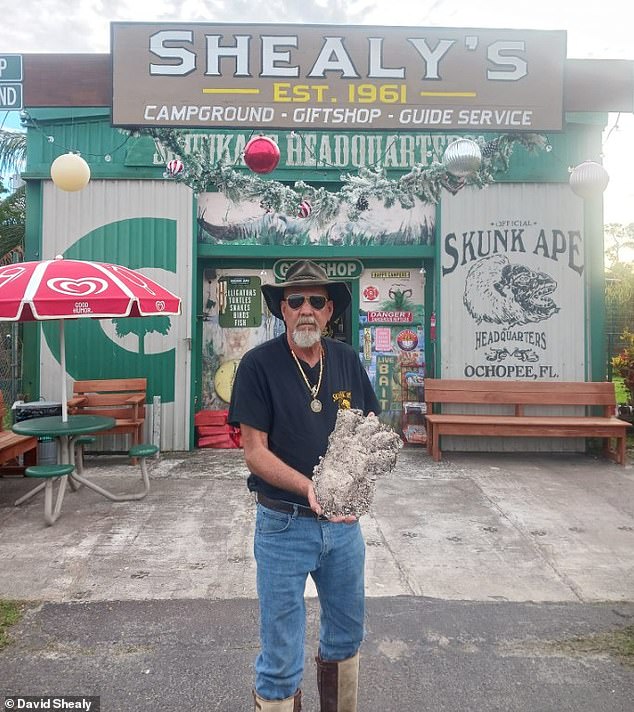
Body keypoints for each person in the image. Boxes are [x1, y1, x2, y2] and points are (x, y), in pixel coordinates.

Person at [228, 259, 380, 712]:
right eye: (296, 301)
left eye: (316, 300)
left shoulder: (348, 360)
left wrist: (357, 484)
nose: (307, 309)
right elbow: (253, 450)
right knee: (280, 658)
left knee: (347, 636)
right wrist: (307, 487)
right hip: (282, 525)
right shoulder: (259, 365)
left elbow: (369, 429)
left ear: (329, 309)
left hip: (343, 528)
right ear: (283, 310)